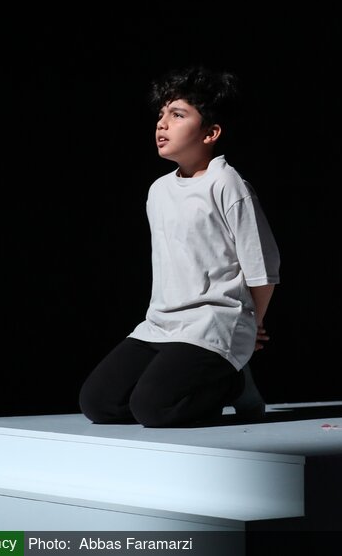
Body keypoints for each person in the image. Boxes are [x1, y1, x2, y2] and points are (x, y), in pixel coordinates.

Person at [79, 66, 280, 427]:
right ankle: (211, 378)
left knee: (153, 408)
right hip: (161, 323)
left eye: (177, 115)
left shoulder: (227, 184)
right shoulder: (159, 190)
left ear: (210, 133)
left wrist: (252, 326)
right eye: (161, 115)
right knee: (99, 403)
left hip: (213, 323)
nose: (162, 124)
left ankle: (232, 380)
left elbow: (262, 269)